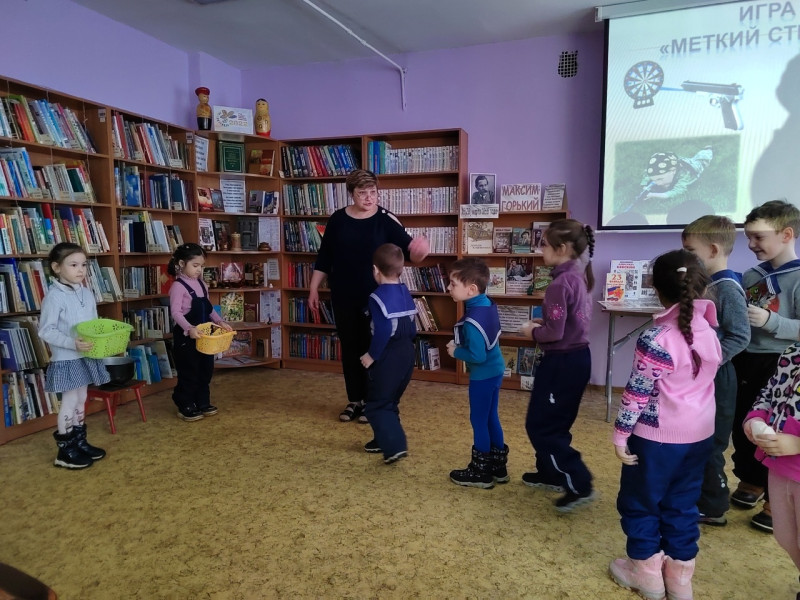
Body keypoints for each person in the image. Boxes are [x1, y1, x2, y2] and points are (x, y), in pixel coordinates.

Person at [609, 249, 721, 600]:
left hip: (655, 440)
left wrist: (620, 435)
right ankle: (680, 579)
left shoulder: (656, 338)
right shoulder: (709, 331)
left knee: (641, 501)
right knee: (683, 503)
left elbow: (637, 393)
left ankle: (646, 575)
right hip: (699, 436)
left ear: (656, 290)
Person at [308, 169, 429, 424]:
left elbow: (409, 252)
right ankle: (355, 400)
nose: (369, 198)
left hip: (378, 300)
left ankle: (374, 401)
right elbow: (325, 258)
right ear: (351, 193)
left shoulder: (385, 219)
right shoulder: (337, 220)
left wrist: (420, 251)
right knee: (351, 348)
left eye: (373, 192)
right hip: (343, 295)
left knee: (374, 348)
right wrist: (313, 288)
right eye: (362, 193)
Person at [730, 199, 800, 533]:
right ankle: (751, 480)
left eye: (758, 237)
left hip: (784, 366)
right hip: (747, 358)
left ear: (786, 235)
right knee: (744, 423)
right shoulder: (751, 275)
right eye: (748, 237)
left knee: (777, 429)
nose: (751, 244)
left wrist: (771, 321)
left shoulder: (798, 277)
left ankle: (775, 498)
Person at [518, 219, 596, 512]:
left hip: (562, 363)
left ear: (561, 248)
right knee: (555, 421)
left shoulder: (560, 283)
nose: (541, 251)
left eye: (544, 245)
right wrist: (545, 324)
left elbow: (554, 334)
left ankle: (579, 483)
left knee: (542, 426)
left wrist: (532, 331)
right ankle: (550, 472)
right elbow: (569, 322)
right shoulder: (577, 276)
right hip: (576, 359)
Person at [681, 215, 750, 526]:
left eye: (689, 251)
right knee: (696, 439)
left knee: (711, 442)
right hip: (702, 376)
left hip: (718, 378)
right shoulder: (707, 283)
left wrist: (708, 360)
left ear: (712, 250)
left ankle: (713, 506)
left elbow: (740, 336)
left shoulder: (727, 288)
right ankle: (698, 496)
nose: (685, 258)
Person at [38, 243, 111, 469]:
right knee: (69, 401)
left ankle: (79, 442)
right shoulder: (54, 297)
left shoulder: (86, 293)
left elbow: (92, 323)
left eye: (84, 265)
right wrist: (72, 343)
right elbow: (46, 331)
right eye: (73, 265)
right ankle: (65, 451)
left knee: (81, 399)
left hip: (86, 355)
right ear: (56, 268)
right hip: (67, 359)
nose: (81, 270)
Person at [743, 343, 800, 598]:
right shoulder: (792, 353)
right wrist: (756, 418)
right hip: (779, 467)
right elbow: (768, 392)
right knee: (786, 536)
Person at [445, 257, 506, 488]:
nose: (448, 287)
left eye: (453, 284)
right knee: (491, 417)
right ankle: (499, 468)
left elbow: (477, 356)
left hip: (483, 376)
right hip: (496, 369)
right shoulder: (487, 304)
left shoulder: (472, 322)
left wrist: (456, 351)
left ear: (471, 289)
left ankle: (481, 473)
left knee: (478, 420)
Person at [360, 244, 417, 465]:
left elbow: (383, 331)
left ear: (375, 270)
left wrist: (371, 356)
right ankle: (382, 439)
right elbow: (412, 326)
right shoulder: (405, 292)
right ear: (401, 270)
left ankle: (395, 446)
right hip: (407, 354)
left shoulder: (376, 297)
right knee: (389, 400)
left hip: (388, 355)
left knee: (376, 404)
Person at [168, 243, 232, 422]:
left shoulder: (202, 284)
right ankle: (185, 403)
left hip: (205, 337)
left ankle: (202, 401)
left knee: (205, 370)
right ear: (182, 264)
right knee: (189, 371)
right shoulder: (178, 287)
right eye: (195, 265)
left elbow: (209, 309)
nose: (199, 270)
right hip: (187, 338)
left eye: (201, 266)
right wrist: (189, 329)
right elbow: (176, 313)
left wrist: (219, 322)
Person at [628, 147, 714, 225]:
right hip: (675, 164)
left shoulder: (685, 174)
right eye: (654, 180)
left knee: (702, 159)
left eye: (660, 179)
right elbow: (646, 177)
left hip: (693, 165)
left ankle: (709, 149)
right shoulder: (652, 171)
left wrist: (653, 195)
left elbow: (677, 191)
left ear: (673, 171)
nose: (657, 183)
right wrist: (644, 187)